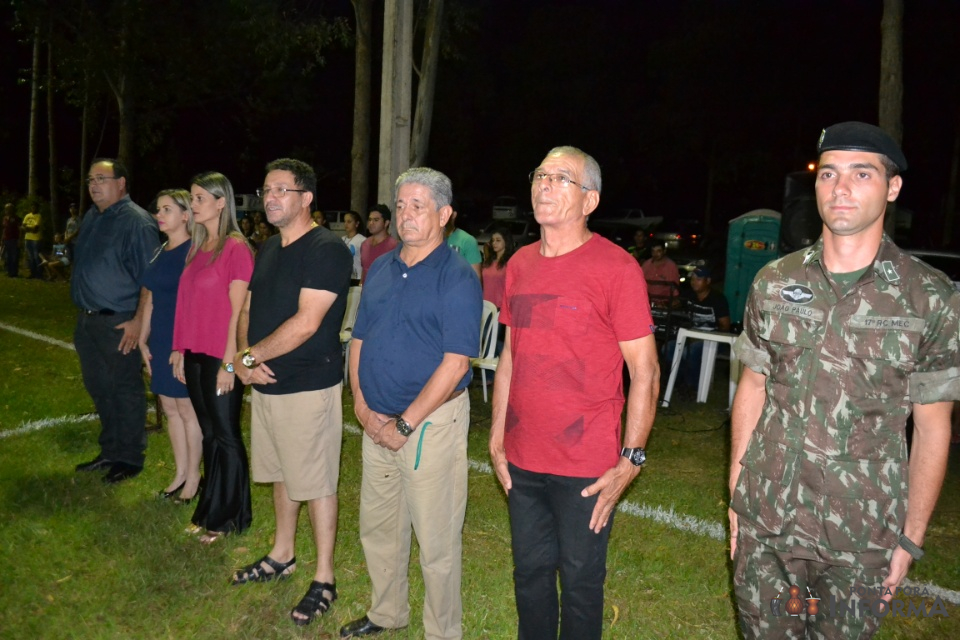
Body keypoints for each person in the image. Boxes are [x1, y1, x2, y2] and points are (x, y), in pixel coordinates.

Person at [729, 122, 960, 639]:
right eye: (829, 173)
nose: (842, 188)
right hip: (768, 523)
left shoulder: (929, 298)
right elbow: (752, 388)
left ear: (892, 187)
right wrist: (736, 498)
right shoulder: (775, 281)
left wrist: (911, 539)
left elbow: (932, 427)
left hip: (862, 538)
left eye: (862, 173)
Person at [488, 146, 659, 640]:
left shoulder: (616, 267)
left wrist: (631, 458)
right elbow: (511, 356)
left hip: (586, 462)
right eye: (540, 174)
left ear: (590, 201)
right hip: (523, 454)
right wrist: (498, 437)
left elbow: (644, 370)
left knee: (581, 583)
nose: (544, 184)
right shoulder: (519, 264)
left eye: (561, 178)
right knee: (530, 574)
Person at [340, 167, 482, 640]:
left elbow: (456, 364)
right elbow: (358, 339)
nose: (405, 215)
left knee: (436, 541)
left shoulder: (457, 276)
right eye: (400, 205)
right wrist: (361, 405)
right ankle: (387, 613)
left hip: (428, 427)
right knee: (379, 529)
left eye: (417, 206)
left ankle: (442, 633)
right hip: (375, 418)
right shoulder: (380, 266)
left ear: (445, 214)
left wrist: (403, 425)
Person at [230, 158, 352, 627]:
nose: (270, 197)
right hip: (265, 383)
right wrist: (244, 357)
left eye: (282, 189)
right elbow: (250, 308)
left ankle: (324, 577)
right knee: (282, 472)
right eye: (266, 189)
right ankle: (282, 554)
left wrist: (248, 359)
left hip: (307, 384)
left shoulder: (328, 249)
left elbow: (307, 323)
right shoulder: (268, 249)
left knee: (316, 480)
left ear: (306, 198)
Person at [171, 171, 255, 545]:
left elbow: (238, 312)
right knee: (208, 434)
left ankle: (230, 515)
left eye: (200, 198)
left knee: (226, 434)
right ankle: (209, 507)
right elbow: (184, 304)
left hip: (220, 356)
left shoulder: (236, 248)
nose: (194, 204)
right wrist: (178, 348)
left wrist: (230, 362)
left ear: (222, 202)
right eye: (192, 197)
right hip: (195, 354)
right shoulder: (197, 247)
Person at [72, 158, 160, 483]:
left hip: (120, 321)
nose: (94, 185)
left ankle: (130, 457)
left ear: (121, 183)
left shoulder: (137, 222)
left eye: (102, 178)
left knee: (124, 388)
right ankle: (110, 450)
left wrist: (139, 320)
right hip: (88, 321)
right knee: (99, 387)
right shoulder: (93, 217)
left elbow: (151, 277)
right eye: (90, 179)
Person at [138, 189, 202, 502]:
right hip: (160, 338)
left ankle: (194, 477)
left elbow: (198, 304)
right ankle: (180, 472)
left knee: (188, 410)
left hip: (183, 339)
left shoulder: (195, 252)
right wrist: (141, 337)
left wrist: (185, 345)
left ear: (186, 215)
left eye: (167, 209)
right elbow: (150, 297)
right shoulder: (161, 250)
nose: (159, 214)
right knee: (170, 408)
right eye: (158, 209)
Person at [664, 265, 731, 388]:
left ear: (708, 281)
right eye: (693, 279)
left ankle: (693, 386)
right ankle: (676, 382)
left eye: (698, 279)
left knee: (692, 351)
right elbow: (674, 305)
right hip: (691, 336)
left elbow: (725, 326)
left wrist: (704, 337)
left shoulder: (718, 299)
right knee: (668, 348)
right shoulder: (689, 296)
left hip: (713, 340)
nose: (694, 282)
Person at [359, 204, 398, 283]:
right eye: (369, 220)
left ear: (386, 223)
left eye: (376, 220)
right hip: (366, 293)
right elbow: (364, 270)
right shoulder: (364, 244)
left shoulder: (395, 246)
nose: (371, 223)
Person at [480, 225, 515, 309]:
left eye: (498, 240)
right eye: (493, 241)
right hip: (484, 305)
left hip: (500, 307)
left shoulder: (511, 263)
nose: (494, 243)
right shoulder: (489, 261)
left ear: (506, 241)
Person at [444, 207, 482, 279]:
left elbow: (475, 278)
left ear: (454, 215)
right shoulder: (429, 239)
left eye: (446, 211)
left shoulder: (467, 240)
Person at [342, 210, 366, 284]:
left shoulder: (362, 240)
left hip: (357, 278)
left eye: (349, 222)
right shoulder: (342, 239)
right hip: (343, 277)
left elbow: (365, 262)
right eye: (345, 221)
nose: (346, 224)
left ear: (357, 223)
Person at [22, 208, 42, 279]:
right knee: (30, 257)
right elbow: (23, 226)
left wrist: (27, 228)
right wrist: (31, 228)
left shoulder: (38, 216)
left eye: (35, 207)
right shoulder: (27, 215)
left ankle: (39, 274)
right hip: (27, 238)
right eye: (32, 207)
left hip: (36, 238)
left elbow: (36, 229)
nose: (33, 208)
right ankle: (32, 273)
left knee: (36, 256)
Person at [2, 203, 20, 277]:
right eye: (6, 209)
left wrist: (19, 240)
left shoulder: (16, 218)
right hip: (6, 239)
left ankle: (14, 272)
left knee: (14, 257)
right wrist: (2, 239)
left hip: (14, 239)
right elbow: (4, 228)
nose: (7, 210)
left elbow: (19, 229)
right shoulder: (5, 218)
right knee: (7, 256)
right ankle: (9, 271)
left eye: (8, 209)